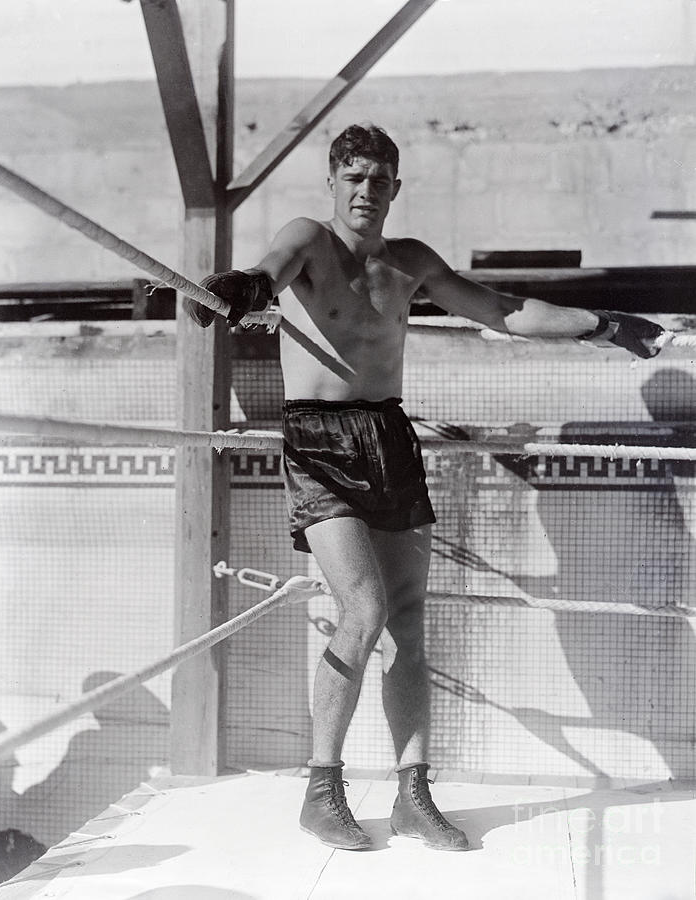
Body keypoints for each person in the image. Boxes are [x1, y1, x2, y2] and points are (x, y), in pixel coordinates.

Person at [186, 124, 664, 851]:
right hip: (317, 442)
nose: (365, 192)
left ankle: (413, 794)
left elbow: (503, 311)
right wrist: (232, 291)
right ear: (332, 183)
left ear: (395, 189)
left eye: (379, 180)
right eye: (353, 178)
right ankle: (323, 788)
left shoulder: (408, 262)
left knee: (407, 619)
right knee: (364, 607)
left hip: (388, 437)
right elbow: (267, 272)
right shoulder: (308, 238)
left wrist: (605, 324)